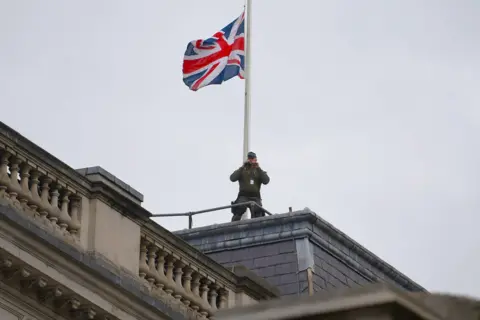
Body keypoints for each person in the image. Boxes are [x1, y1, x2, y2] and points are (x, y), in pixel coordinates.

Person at [229, 151, 270, 221]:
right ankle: (232, 226)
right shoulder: (243, 170)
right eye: (250, 159)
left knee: (258, 212)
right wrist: (242, 167)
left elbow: (266, 181)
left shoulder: (258, 171)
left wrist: (258, 168)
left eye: (253, 159)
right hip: (243, 195)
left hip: (255, 196)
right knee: (239, 209)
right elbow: (232, 178)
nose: (251, 161)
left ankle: (256, 228)